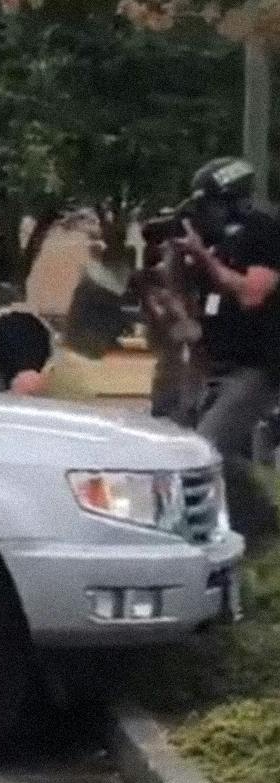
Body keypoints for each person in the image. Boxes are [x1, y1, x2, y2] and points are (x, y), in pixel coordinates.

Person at [174, 156, 280, 543]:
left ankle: (263, 526)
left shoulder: (262, 232)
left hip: (255, 366)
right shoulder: (219, 244)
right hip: (216, 363)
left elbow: (254, 293)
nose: (207, 214)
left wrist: (203, 257)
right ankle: (255, 526)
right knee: (204, 449)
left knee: (205, 449)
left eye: (212, 205)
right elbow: (198, 310)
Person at [136, 239, 204, 424]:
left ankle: (181, 407)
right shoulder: (156, 285)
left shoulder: (187, 285)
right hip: (171, 356)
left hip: (182, 366)